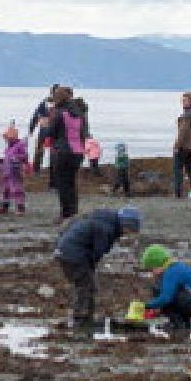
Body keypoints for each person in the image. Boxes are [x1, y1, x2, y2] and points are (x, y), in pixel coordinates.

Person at [54, 206, 142, 328]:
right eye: (130, 230)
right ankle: (80, 319)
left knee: (86, 285)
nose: (128, 234)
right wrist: (91, 266)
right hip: (73, 255)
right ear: (125, 224)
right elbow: (98, 251)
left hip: (65, 250)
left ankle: (85, 317)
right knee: (85, 286)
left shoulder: (104, 218)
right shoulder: (106, 229)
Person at [139, 245, 191, 331]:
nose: (152, 273)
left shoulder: (171, 272)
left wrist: (146, 306)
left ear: (158, 264)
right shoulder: (176, 266)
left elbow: (165, 298)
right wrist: (158, 309)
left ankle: (177, 324)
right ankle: (185, 323)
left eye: (152, 269)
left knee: (158, 291)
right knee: (166, 293)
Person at [46, 86, 90, 221]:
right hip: (77, 153)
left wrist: (45, 126)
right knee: (71, 183)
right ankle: (73, 212)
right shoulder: (80, 113)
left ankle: (66, 214)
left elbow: (51, 133)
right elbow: (84, 133)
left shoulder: (59, 113)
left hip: (63, 152)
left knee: (63, 184)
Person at [0, 125, 30, 215]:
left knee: (16, 189)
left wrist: (15, 158)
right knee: (5, 189)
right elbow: (7, 157)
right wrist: (2, 160)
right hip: (6, 171)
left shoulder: (20, 145)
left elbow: (24, 157)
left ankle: (20, 207)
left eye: (8, 138)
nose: (6, 139)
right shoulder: (8, 147)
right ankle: (4, 206)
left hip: (15, 171)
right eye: (6, 138)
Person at [172, 92, 191, 198]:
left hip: (183, 146)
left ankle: (178, 193)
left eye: (185, 100)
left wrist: (176, 146)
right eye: (182, 100)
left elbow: (183, 132)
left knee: (178, 170)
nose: (182, 102)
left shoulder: (187, 115)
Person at [29, 84, 57, 171]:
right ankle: (51, 167)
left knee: (41, 148)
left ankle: (36, 168)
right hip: (54, 127)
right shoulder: (61, 103)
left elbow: (36, 115)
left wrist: (32, 128)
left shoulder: (45, 102)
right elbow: (36, 115)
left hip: (46, 127)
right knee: (53, 148)